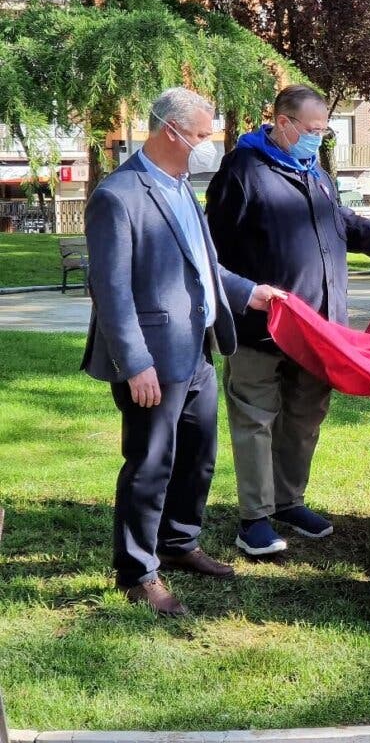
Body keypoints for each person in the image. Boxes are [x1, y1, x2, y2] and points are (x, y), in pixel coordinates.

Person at [82, 87, 285, 616]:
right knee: (151, 463)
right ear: (168, 131)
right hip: (151, 359)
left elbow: (203, 268)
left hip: (198, 350)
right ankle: (137, 570)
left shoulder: (181, 188)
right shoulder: (117, 195)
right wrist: (135, 363)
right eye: (201, 135)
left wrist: (249, 292)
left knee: (198, 456)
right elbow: (110, 289)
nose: (208, 143)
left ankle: (178, 542)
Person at [207, 85, 370, 557]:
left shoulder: (314, 173)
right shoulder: (241, 172)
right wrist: (246, 295)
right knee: (256, 420)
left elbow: (342, 224)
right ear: (282, 123)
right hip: (260, 328)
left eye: (323, 131)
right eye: (312, 130)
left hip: (319, 331)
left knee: (304, 419)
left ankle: (289, 501)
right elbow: (209, 253)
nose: (319, 139)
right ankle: (255, 518)